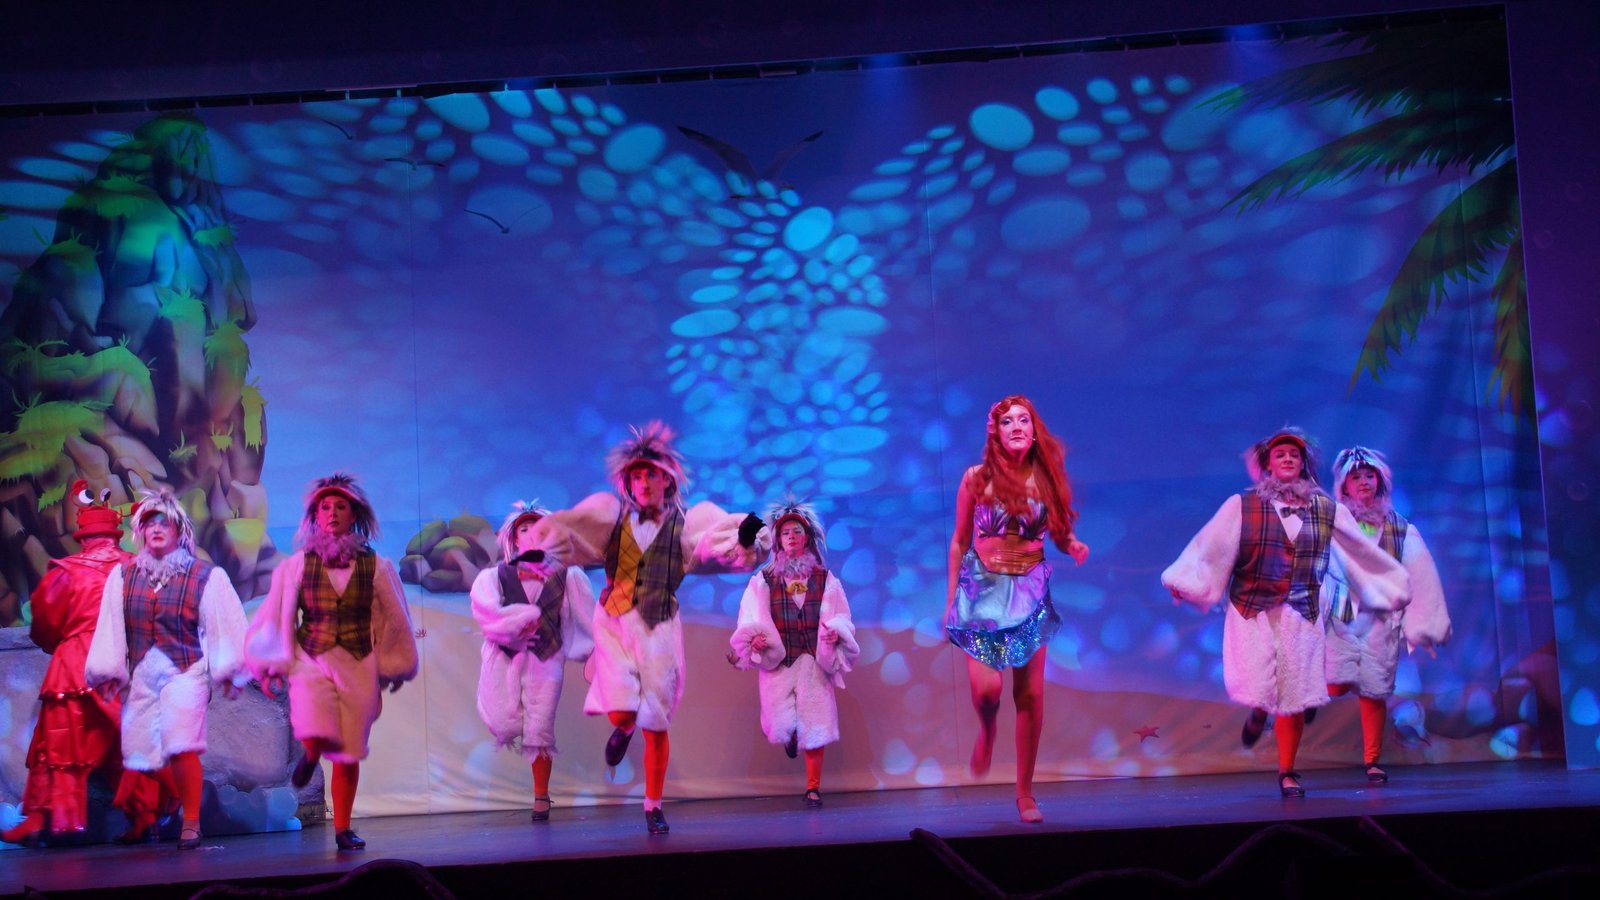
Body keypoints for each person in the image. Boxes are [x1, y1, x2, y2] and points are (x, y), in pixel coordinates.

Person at [1162, 428, 1409, 798]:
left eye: (1294, 455)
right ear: (1269, 465)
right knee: (1261, 686)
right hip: (1253, 610)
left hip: (1300, 612)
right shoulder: (1242, 505)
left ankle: (1287, 771)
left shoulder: (1326, 509)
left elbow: (1360, 552)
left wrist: (1388, 588)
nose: (1288, 459)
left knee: (1293, 696)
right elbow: (1210, 547)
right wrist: (1184, 581)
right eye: (1281, 455)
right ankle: (1259, 711)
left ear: (1304, 464)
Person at [549, 421, 768, 835]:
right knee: (622, 709)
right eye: (637, 476)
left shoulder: (684, 525)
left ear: (667, 479)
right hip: (614, 622)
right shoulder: (612, 522)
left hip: (659, 626)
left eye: (651, 474)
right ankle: (623, 726)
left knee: (656, 719)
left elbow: (711, 546)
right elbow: (578, 534)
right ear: (627, 483)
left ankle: (653, 805)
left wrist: (742, 536)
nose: (644, 482)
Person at [245, 473, 418, 851]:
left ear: (354, 514)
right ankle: (310, 752)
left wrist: (393, 665)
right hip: (313, 656)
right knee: (314, 726)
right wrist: (273, 662)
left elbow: (392, 617)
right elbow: (277, 614)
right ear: (315, 516)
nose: (333, 513)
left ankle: (342, 829)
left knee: (348, 750)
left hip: (358, 659)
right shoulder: (298, 565)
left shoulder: (376, 566)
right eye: (325, 507)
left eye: (341, 506)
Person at [946, 396, 1089, 824]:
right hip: (981, 594)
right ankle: (988, 729)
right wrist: (951, 597)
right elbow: (959, 540)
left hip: (1029, 591)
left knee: (1029, 695)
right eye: (1007, 421)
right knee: (987, 692)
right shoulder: (975, 478)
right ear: (995, 431)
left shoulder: (1046, 480)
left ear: (1034, 430)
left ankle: (1025, 793)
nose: (1016, 427)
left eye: (1023, 420)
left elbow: (1060, 531)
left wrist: (1072, 545)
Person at [2, 482, 167, 846]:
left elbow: (45, 622)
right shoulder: (138, 570)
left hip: (75, 662)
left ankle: (48, 818)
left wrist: (60, 644)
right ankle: (145, 815)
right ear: (115, 533)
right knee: (131, 739)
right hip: (125, 661)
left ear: (82, 537)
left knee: (59, 740)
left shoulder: (66, 571)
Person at [85, 488, 249, 849]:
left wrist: (230, 670)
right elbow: (111, 626)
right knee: (140, 752)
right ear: (140, 531)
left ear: (179, 531)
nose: (157, 528)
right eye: (150, 523)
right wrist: (108, 670)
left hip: (185, 670)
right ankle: (180, 794)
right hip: (143, 671)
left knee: (180, 744)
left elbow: (224, 624)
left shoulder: (204, 575)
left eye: (165, 522)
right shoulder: (123, 576)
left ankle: (191, 822)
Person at [1322, 446, 1451, 783]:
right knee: (1335, 684)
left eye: (1370, 476)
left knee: (1374, 690)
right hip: (1343, 618)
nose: (1364, 481)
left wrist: (1423, 627)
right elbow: (1316, 567)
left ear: (1379, 481)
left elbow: (1421, 576)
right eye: (1356, 477)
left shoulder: (1399, 529)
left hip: (1381, 622)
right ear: (1345, 485)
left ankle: (1372, 760)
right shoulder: (1333, 524)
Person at [470, 501, 595, 822]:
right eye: (524, 528)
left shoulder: (567, 576)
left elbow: (584, 619)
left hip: (546, 656)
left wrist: (592, 656)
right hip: (505, 655)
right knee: (503, 721)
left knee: (539, 727)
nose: (532, 533)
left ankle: (541, 795)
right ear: (514, 537)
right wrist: (513, 624)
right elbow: (487, 613)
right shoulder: (496, 576)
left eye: (539, 528)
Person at [729, 499, 859, 807]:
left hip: (813, 659)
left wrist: (835, 631)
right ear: (778, 539)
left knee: (816, 724)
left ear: (806, 537)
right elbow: (750, 616)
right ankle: (790, 735)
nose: (791, 537)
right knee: (780, 722)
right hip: (780, 661)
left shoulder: (824, 579)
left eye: (797, 532)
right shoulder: (764, 580)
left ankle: (813, 787)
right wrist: (755, 639)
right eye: (785, 532)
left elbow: (841, 615)